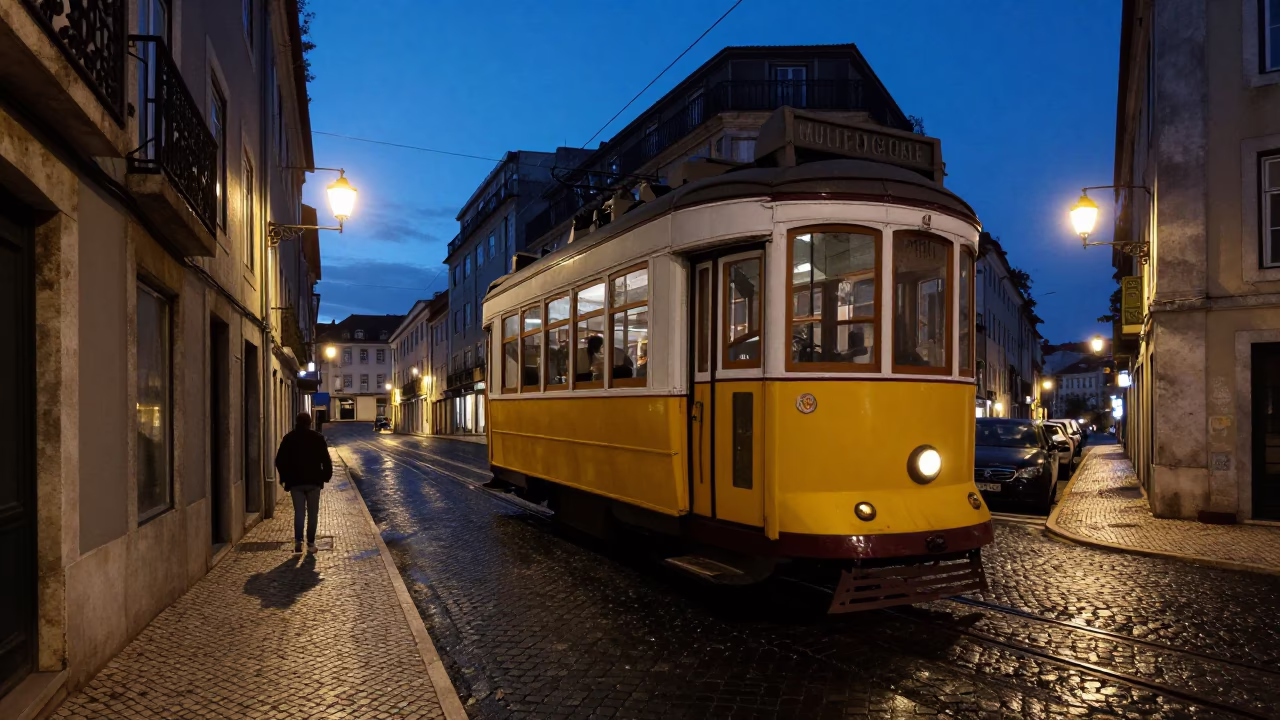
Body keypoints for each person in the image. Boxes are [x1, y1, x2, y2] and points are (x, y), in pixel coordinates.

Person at [274, 412, 333, 553]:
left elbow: (279, 461)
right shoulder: (318, 438)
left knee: (299, 513)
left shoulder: (288, 439)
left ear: (296, 422)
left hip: (295, 482)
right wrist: (325, 476)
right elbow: (326, 460)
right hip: (314, 482)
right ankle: (311, 543)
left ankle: (298, 542)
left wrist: (285, 478)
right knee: (313, 514)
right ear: (310, 422)